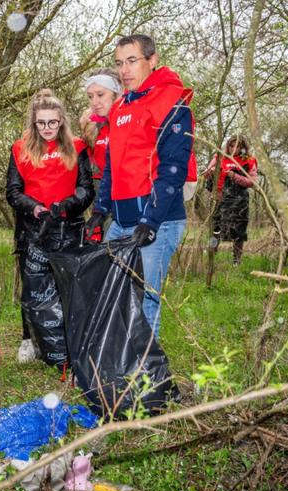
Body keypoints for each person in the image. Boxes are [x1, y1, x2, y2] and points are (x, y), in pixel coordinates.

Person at [84, 34, 196, 338]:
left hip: (156, 221)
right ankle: (122, 368)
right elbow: (112, 167)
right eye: (120, 63)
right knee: (114, 294)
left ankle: (147, 378)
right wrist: (100, 210)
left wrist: (151, 220)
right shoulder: (119, 107)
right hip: (120, 221)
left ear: (152, 60)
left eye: (132, 61)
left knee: (147, 299)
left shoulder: (172, 100)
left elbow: (173, 167)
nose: (125, 70)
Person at [6, 90, 93, 364]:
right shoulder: (20, 149)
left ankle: (68, 338)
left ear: (61, 122)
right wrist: (34, 208)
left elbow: (86, 189)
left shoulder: (77, 147)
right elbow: (13, 191)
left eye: (52, 123)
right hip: (33, 228)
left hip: (68, 226)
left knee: (67, 286)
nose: (47, 129)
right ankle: (28, 339)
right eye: (41, 123)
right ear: (34, 123)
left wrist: (66, 205)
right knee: (32, 288)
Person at [78, 69, 122, 241]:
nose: (94, 102)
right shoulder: (97, 126)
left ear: (116, 93)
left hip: (126, 197)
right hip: (102, 195)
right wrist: (86, 134)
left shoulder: (126, 122)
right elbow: (92, 163)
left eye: (100, 94)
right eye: (90, 97)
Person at [202, 135, 258, 265]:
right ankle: (211, 255)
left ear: (243, 147)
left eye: (238, 146)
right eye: (232, 145)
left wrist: (234, 175)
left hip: (239, 200)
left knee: (238, 231)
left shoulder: (249, 160)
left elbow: (252, 182)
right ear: (228, 146)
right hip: (220, 199)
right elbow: (206, 173)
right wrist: (208, 173)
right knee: (215, 230)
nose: (234, 149)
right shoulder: (219, 157)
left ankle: (236, 261)